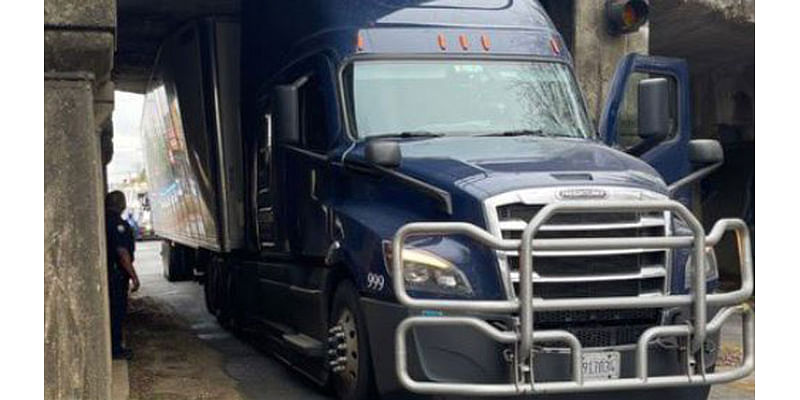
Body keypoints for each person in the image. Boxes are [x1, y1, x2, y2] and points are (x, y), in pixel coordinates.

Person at [105, 191, 140, 360]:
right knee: (117, 311)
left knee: (111, 311)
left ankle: (112, 346)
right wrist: (133, 276)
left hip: (108, 274)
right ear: (121, 204)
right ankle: (116, 349)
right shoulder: (118, 224)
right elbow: (122, 252)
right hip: (117, 275)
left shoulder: (101, 221)